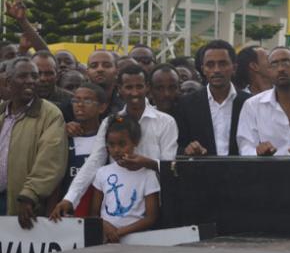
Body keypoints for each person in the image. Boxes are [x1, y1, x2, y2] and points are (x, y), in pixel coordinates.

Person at [50, 65, 177, 220]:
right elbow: (94, 161)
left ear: (147, 88)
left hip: (156, 204)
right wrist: (70, 198)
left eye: (139, 87)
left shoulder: (166, 122)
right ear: (120, 89)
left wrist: (146, 163)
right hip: (117, 210)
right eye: (129, 87)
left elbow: (170, 166)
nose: (135, 93)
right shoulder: (109, 122)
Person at [0, 57, 67, 227]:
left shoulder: (50, 114)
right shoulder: (2, 112)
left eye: (34, 76)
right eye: (23, 76)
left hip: (22, 203)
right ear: (8, 82)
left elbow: (50, 162)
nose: (30, 81)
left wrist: (30, 194)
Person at [237, 47, 290, 157]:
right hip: (269, 171)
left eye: (286, 62)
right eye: (274, 64)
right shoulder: (252, 105)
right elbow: (245, 148)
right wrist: (258, 152)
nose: (280, 69)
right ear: (269, 71)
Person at [90, 115, 160, 243]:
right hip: (106, 238)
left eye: (122, 144)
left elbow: (151, 217)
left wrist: (120, 232)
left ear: (135, 142)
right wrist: (106, 227)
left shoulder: (148, 174)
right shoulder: (102, 173)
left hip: (136, 240)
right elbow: (94, 213)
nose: (116, 150)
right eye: (111, 145)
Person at [175, 40, 251, 156]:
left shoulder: (249, 103)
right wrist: (188, 150)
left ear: (234, 67)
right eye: (210, 65)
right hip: (202, 172)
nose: (216, 70)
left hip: (240, 172)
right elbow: (178, 146)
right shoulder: (186, 104)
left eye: (223, 64)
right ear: (203, 69)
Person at [52, 82, 107, 217]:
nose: (80, 105)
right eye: (76, 100)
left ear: (102, 107)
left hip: (103, 211)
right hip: (67, 210)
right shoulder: (64, 136)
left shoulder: (110, 139)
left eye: (87, 100)